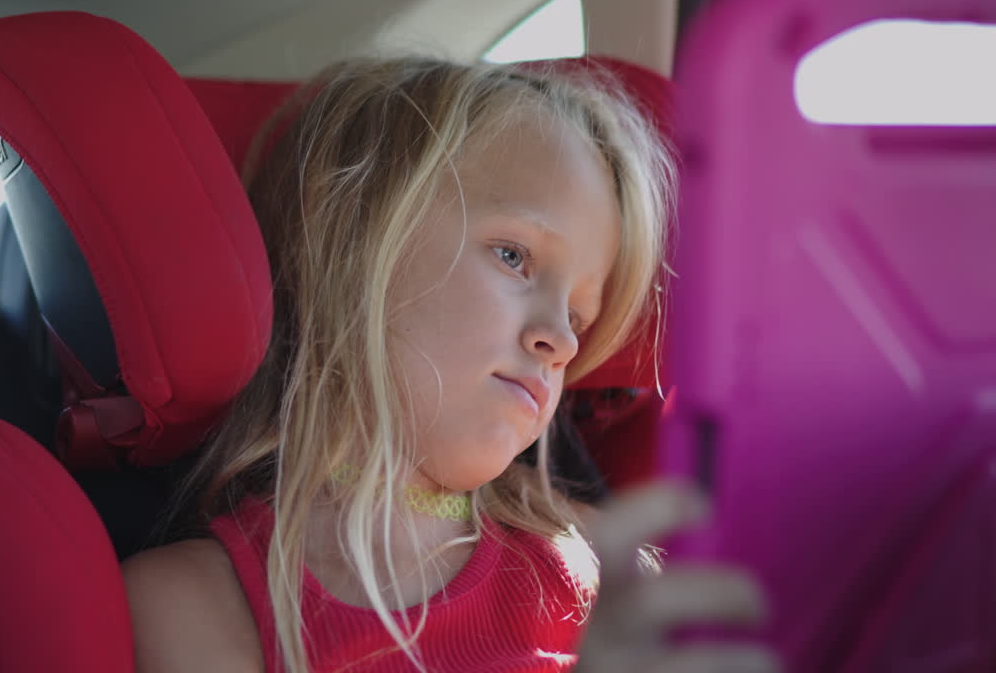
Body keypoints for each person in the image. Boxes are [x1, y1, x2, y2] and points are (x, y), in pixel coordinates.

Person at [122, 56, 777, 673]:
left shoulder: (603, 573)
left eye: (579, 315)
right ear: (349, 241)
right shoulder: (198, 603)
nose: (563, 340)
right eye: (514, 257)